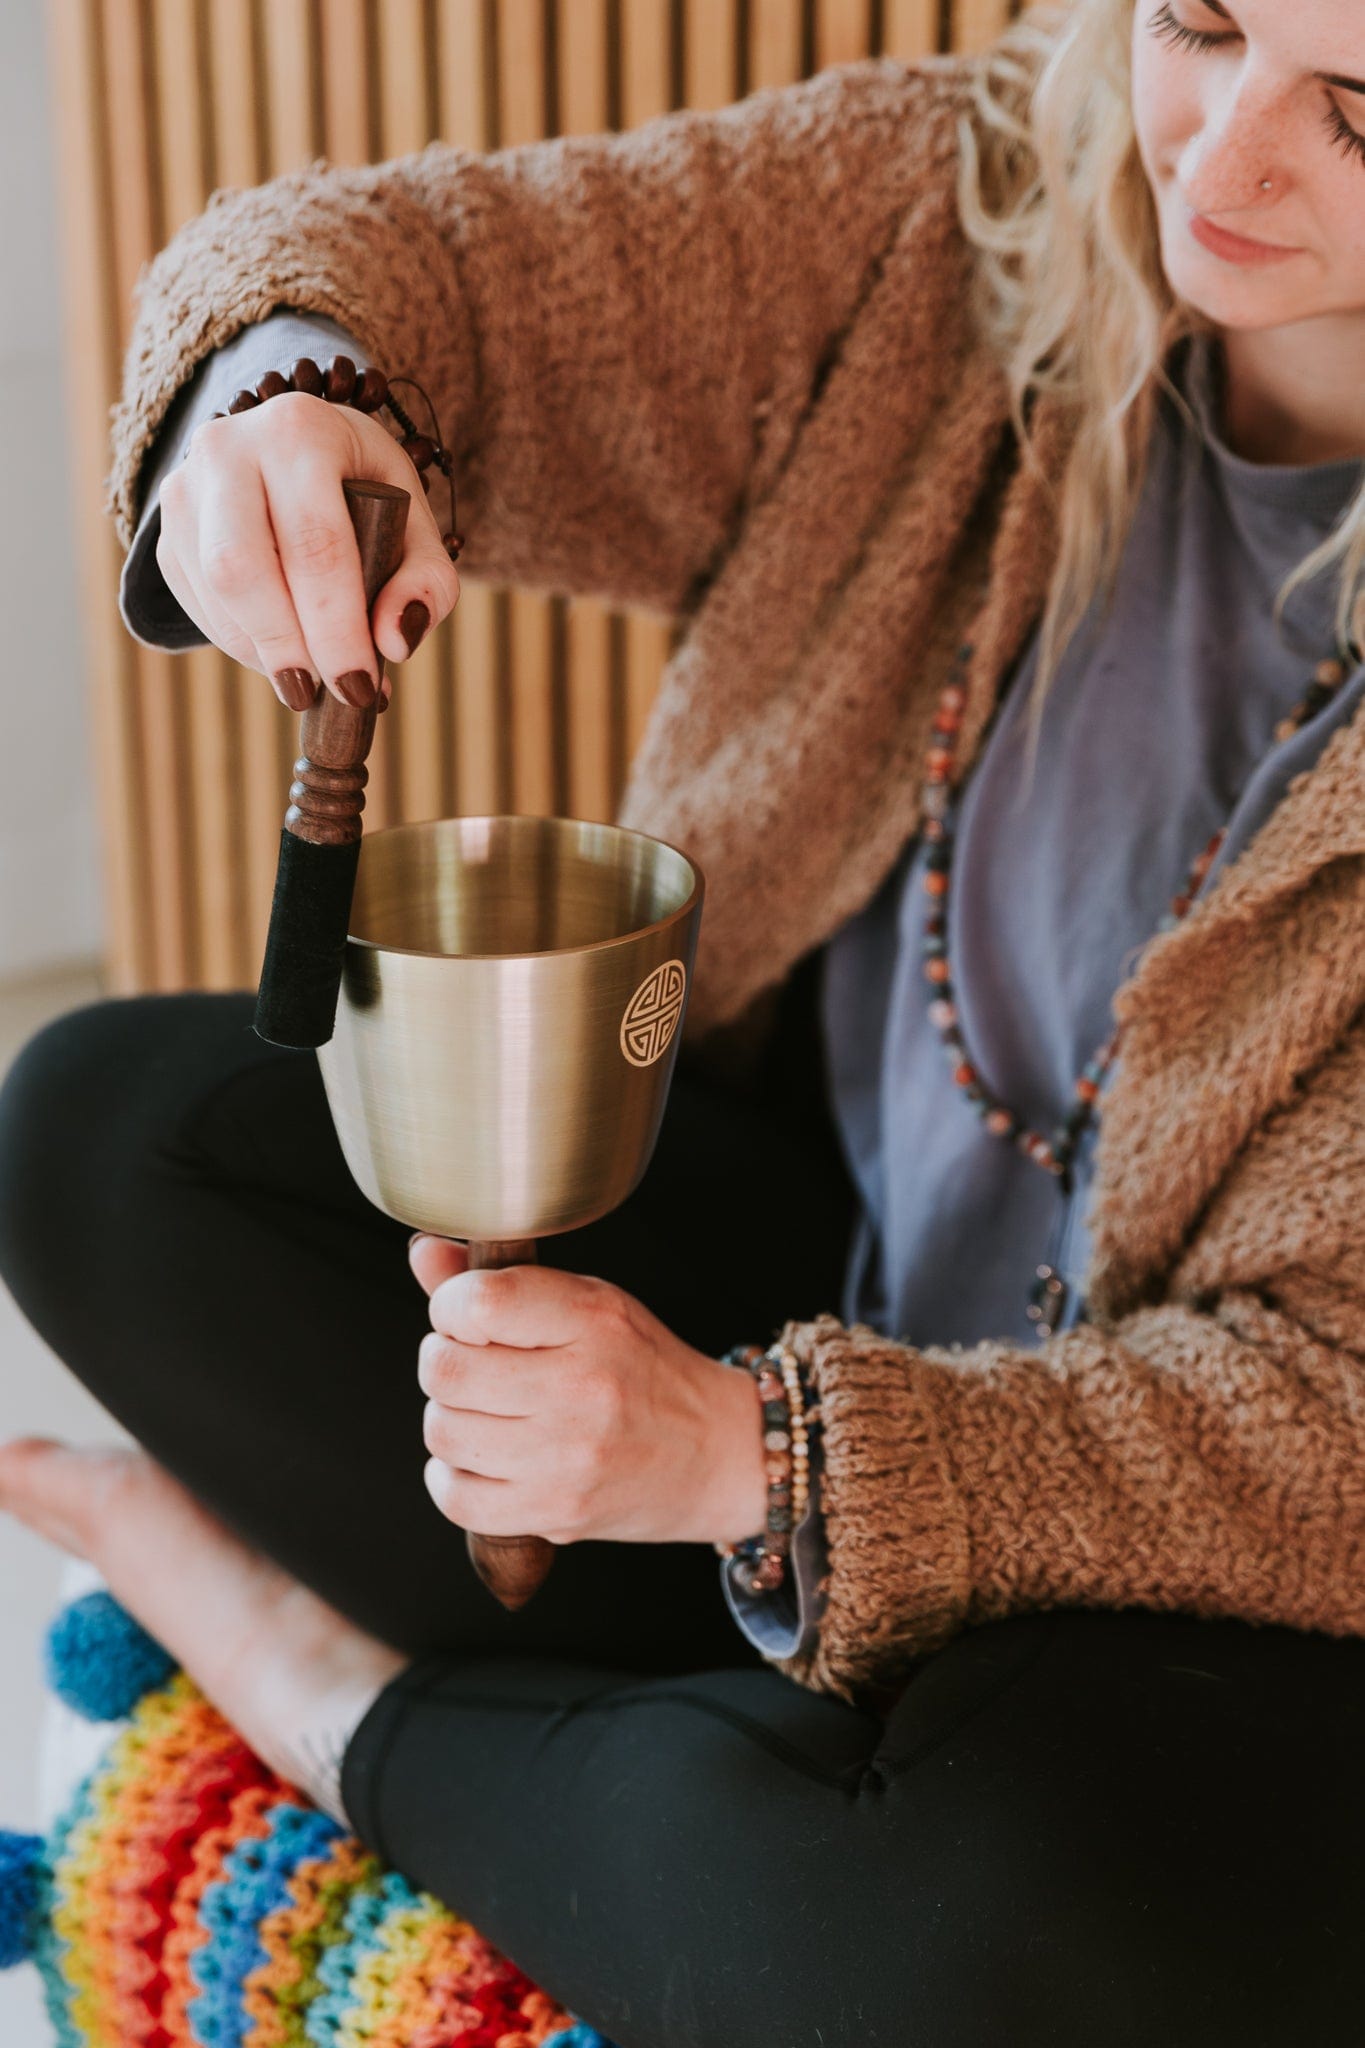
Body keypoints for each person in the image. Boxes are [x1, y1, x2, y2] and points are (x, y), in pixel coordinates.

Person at [3, 0, 1365, 2038]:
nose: (1217, 157)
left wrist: (756, 1462)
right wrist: (274, 398)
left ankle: (329, 1700)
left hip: (1202, 1575)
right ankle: (693, 1782)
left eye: (1354, 115)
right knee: (101, 1138)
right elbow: (423, 276)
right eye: (1196, 22)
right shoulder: (984, 199)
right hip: (819, 1296)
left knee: (972, 1950)